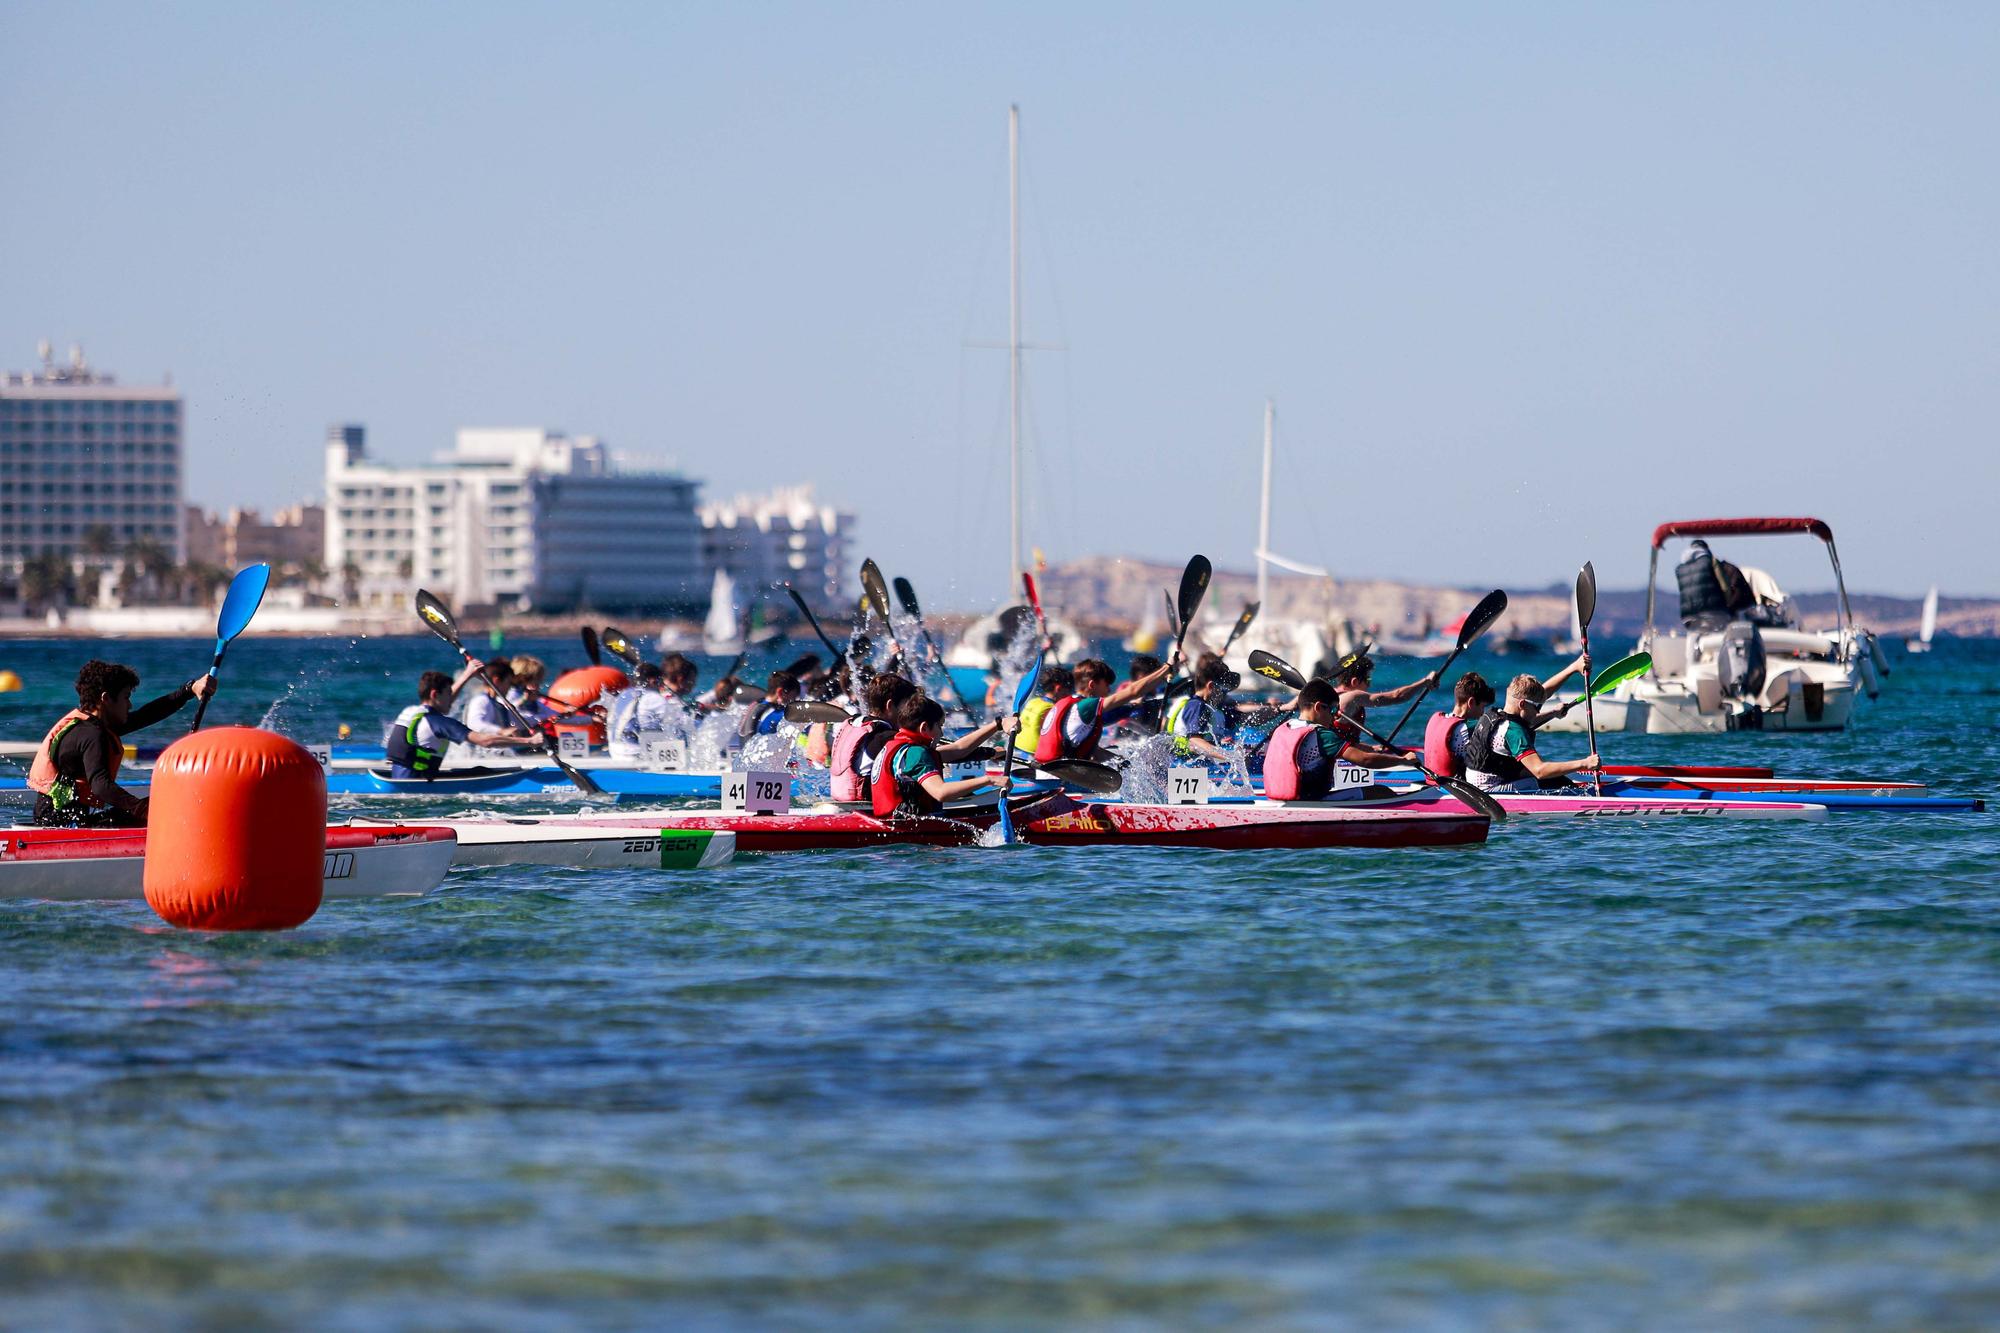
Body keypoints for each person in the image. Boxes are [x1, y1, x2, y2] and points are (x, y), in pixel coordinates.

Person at [27, 659, 218, 826]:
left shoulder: (90, 726)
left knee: (155, 807)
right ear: (106, 699)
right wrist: (141, 809)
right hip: (64, 826)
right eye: (126, 697)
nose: (130, 705)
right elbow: (100, 786)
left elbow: (146, 715)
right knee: (162, 809)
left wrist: (189, 690)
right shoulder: (92, 734)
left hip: (57, 820)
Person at [1261, 679, 1405, 801]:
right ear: (1318, 707)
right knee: (1381, 792)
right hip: (1314, 801)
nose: (1335, 716)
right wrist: (1403, 760)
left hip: (1279, 798)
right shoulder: (1321, 734)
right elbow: (1366, 760)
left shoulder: (1284, 727)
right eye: (1332, 710)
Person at [872, 695, 1012, 819]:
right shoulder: (916, 754)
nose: (942, 734)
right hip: (908, 832)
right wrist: (989, 780)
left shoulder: (898, 745)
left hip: (896, 823)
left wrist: (997, 725)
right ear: (924, 728)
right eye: (940, 726)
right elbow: (941, 792)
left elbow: (959, 749)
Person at [386, 669, 541, 778]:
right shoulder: (440, 723)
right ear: (435, 694)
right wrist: (528, 741)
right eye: (448, 693)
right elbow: (485, 741)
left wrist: (467, 673)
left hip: (400, 778)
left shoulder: (410, 712)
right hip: (418, 788)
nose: (451, 699)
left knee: (477, 770)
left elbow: (441, 705)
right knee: (481, 773)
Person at [1460, 674, 1600, 793]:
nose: (1538, 711)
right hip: (1489, 791)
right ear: (1522, 704)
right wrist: (1585, 764)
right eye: (1537, 707)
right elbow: (1540, 771)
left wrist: (1553, 713)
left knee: (1557, 779)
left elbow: (1527, 722)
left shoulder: (1495, 715)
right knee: (1544, 781)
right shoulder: (1513, 732)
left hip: (1476, 782)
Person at [1034, 655, 1174, 765]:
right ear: (1092, 685)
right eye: (1106, 685)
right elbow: (1133, 691)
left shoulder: (1070, 705)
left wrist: (1126, 764)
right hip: (1060, 779)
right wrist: (1166, 668)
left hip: (1051, 771)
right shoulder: (1086, 706)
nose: (1108, 690)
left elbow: (1093, 752)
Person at [1420, 672, 1497, 778]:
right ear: (1471, 702)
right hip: (1451, 787)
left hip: (1432, 781)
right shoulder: (1467, 728)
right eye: (1482, 707)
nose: (1482, 713)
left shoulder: (1435, 718)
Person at [1163, 658, 1239, 762]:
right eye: (1223, 689)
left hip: (1183, 762)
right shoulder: (1197, 706)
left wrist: (1220, 742)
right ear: (1211, 686)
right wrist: (1231, 757)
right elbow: (1195, 742)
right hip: (1185, 768)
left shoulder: (1197, 704)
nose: (1225, 694)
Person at [607, 662, 672, 754]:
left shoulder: (622, 695)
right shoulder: (653, 697)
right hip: (635, 755)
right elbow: (674, 725)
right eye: (660, 682)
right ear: (653, 681)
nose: (661, 686)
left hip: (614, 752)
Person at [1012, 664, 1072, 759]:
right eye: (1069, 690)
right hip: (1035, 755)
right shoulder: (1051, 709)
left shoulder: (1033, 701)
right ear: (1058, 688)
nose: (1069, 695)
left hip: (1020, 750)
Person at [462, 658, 520, 733]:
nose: (509, 687)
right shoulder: (481, 700)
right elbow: (474, 724)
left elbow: (513, 722)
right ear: (496, 681)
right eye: (508, 682)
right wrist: (501, 731)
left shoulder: (496, 703)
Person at [738, 671, 801, 739]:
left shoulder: (756, 705)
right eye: (793, 698)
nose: (793, 702)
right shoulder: (779, 716)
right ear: (780, 692)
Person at [507, 655, 553, 725]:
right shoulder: (511, 693)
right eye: (534, 680)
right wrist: (523, 700)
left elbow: (551, 714)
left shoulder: (532, 699)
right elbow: (508, 714)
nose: (537, 685)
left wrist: (568, 714)